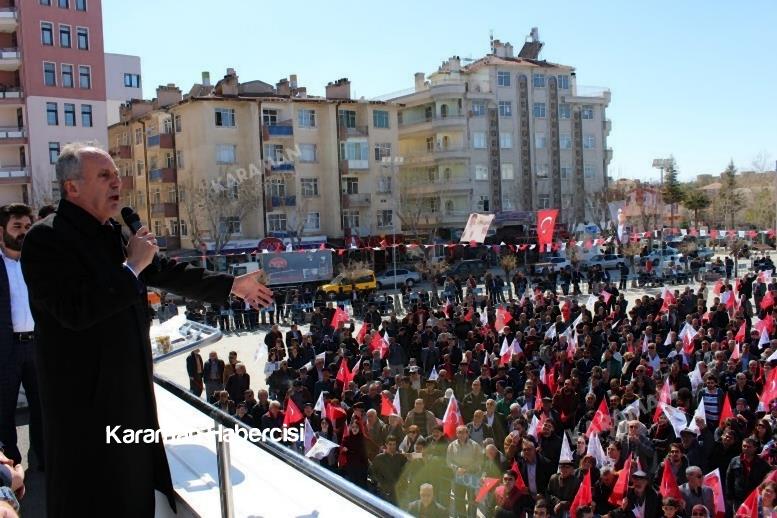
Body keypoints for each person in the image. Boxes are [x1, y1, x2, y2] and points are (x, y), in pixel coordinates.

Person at [20, 143, 273, 518]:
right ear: (71, 187)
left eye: (116, 175)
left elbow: (164, 270)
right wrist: (131, 268)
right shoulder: (45, 239)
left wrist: (232, 285)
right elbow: (74, 311)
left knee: (134, 490)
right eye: (104, 175)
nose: (116, 182)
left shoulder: (109, 233)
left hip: (128, 393)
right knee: (91, 495)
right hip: (85, 404)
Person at [0, 204, 44, 470]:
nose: (24, 233)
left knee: (43, 408)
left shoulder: (38, 265)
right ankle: (9, 468)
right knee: (3, 412)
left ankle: (44, 460)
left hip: (38, 347)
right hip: (6, 352)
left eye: (28, 227)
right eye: (17, 227)